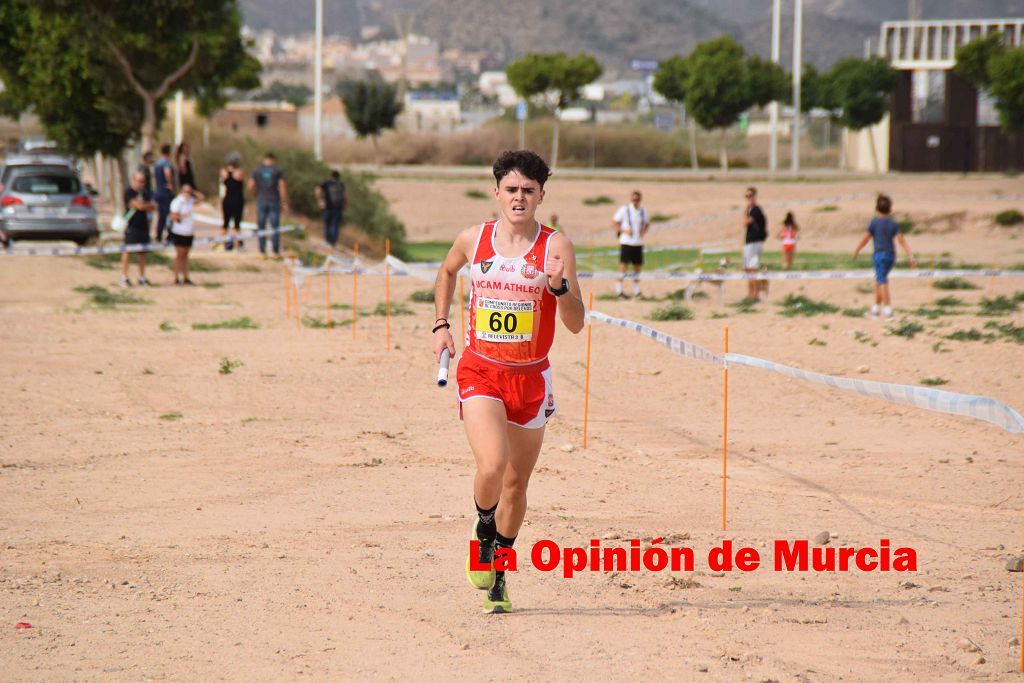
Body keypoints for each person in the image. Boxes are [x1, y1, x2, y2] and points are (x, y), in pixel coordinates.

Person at [433, 150, 585, 614]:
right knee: (493, 466)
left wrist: (559, 289)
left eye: (529, 190)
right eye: (512, 189)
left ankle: (500, 572)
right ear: (496, 191)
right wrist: (441, 324)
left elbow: (577, 322)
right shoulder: (474, 239)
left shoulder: (555, 248)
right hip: (481, 368)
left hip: (531, 378)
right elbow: (446, 272)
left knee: (517, 486)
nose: (519, 198)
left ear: (541, 195)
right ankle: (483, 531)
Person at [853, 194, 916, 321]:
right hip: (891, 256)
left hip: (879, 255)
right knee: (879, 280)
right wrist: (910, 255)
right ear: (890, 210)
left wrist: (857, 250)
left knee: (882, 282)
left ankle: (888, 310)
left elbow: (866, 238)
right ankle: (875, 309)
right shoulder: (893, 224)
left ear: (876, 209)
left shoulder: (874, 223)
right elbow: (901, 240)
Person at [248, 152, 288, 259]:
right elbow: (282, 186)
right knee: (275, 226)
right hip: (274, 200)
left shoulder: (257, 170)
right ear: (273, 160)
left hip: (261, 200)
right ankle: (275, 251)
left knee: (261, 226)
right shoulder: (277, 171)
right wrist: (284, 202)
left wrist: (255, 194)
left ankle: (262, 251)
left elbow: (251, 185)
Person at [120, 171, 156, 287]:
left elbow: (153, 206)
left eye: (143, 181)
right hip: (132, 226)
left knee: (142, 253)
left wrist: (143, 205)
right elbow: (138, 205)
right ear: (134, 180)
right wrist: (143, 205)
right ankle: (124, 277)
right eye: (140, 181)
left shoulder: (145, 192)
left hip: (143, 226)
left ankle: (142, 277)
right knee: (128, 251)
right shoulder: (129, 192)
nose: (142, 183)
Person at [612, 190, 649, 299]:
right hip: (626, 242)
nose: (635, 201)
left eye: (637, 199)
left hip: (638, 242)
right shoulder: (624, 209)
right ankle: (619, 290)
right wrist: (623, 230)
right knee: (623, 266)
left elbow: (647, 223)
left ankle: (636, 291)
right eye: (633, 199)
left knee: (637, 267)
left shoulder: (643, 211)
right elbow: (614, 222)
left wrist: (643, 232)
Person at [169, 184, 198, 286]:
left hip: (189, 232)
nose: (188, 194)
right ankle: (176, 277)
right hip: (179, 232)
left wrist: (194, 192)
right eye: (186, 192)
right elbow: (174, 217)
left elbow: (202, 198)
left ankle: (185, 277)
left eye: (190, 192)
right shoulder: (177, 202)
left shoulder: (190, 201)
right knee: (179, 255)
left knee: (186, 256)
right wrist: (186, 215)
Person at [742, 187, 767, 301]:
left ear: (755, 196)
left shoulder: (756, 210)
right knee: (747, 268)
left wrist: (745, 212)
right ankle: (751, 292)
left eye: (750, 195)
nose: (749, 198)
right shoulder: (751, 210)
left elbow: (746, 222)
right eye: (747, 196)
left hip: (754, 243)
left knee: (753, 268)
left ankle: (755, 294)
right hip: (749, 242)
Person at [315, 170, 346, 248]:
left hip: (328, 206)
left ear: (331, 175)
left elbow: (317, 190)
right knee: (336, 224)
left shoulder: (326, 183)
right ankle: (333, 242)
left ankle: (327, 240)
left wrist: (320, 201)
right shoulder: (341, 184)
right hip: (338, 207)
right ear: (338, 177)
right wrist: (345, 205)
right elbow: (345, 196)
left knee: (327, 223)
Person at [219, 159, 246, 251]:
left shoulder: (224, 172)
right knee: (236, 225)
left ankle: (223, 245)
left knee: (225, 224)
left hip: (227, 199)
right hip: (236, 200)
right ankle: (236, 246)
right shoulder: (239, 172)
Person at [153, 144, 176, 243]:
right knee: (169, 214)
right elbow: (167, 173)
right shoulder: (166, 163)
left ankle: (159, 234)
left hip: (158, 191)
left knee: (161, 215)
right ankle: (170, 235)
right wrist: (170, 184)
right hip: (165, 193)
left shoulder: (157, 163)